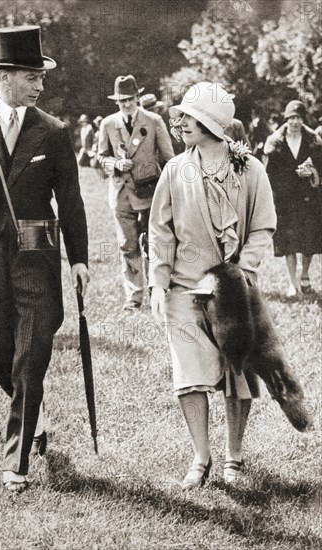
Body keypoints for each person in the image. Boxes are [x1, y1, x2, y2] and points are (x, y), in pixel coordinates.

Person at [0, 25, 89, 493]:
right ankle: (34, 410)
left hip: (37, 256)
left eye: (40, 78)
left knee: (31, 355)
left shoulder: (54, 131)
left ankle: (17, 459)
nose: (40, 85)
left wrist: (79, 260)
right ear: (5, 76)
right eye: (32, 76)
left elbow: (71, 200)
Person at [149, 82, 277, 489]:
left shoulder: (251, 169)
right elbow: (160, 232)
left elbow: (262, 227)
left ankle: (234, 457)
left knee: (236, 371)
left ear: (210, 123)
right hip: (184, 290)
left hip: (234, 292)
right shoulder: (174, 170)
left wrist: (244, 270)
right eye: (181, 116)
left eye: (188, 116)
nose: (180, 122)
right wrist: (157, 283)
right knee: (188, 372)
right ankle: (200, 456)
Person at [98, 75, 174, 311]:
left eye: (131, 99)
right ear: (116, 102)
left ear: (138, 98)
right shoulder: (108, 124)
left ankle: (157, 290)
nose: (127, 104)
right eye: (122, 101)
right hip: (121, 194)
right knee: (126, 245)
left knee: (153, 243)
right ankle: (134, 296)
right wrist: (115, 165)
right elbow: (100, 157)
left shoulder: (153, 120)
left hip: (149, 191)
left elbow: (169, 157)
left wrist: (169, 189)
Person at [264, 100, 322, 296]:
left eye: (298, 118)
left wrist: (313, 173)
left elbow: (320, 167)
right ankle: (292, 282)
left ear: (303, 120)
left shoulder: (313, 141)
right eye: (291, 118)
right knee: (289, 240)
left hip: (309, 198)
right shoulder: (276, 143)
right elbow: (270, 172)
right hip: (285, 198)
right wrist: (290, 177)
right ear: (286, 119)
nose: (295, 122)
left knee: (308, 239)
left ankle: (305, 276)